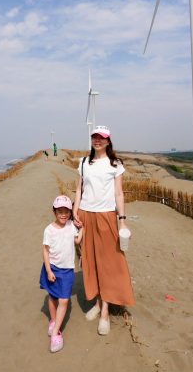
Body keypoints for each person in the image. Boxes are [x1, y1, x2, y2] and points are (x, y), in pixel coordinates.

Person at [73, 125, 135, 336]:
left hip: (106, 216)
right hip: (85, 215)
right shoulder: (83, 163)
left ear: (108, 141)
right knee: (91, 261)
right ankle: (98, 303)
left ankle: (106, 312)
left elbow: (119, 194)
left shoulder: (115, 164)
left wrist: (122, 221)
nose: (97, 140)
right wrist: (75, 212)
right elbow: (79, 189)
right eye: (94, 137)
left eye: (102, 137)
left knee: (108, 262)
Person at [40, 195, 83, 353]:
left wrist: (82, 228)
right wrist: (49, 270)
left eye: (66, 211)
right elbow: (45, 251)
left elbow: (77, 241)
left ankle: (56, 333)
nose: (63, 214)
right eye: (60, 211)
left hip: (67, 270)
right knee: (52, 296)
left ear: (70, 212)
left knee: (63, 301)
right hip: (52, 268)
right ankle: (53, 321)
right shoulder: (49, 230)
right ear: (54, 212)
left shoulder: (72, 226)